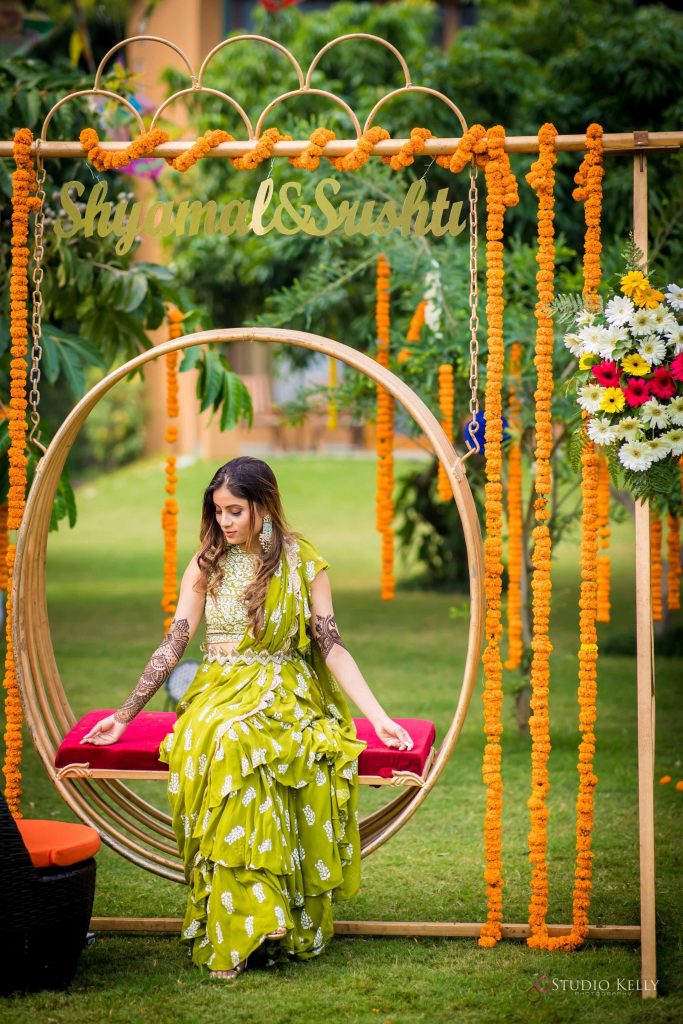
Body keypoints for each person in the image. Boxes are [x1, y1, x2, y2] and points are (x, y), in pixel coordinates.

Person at [80, 456, 413, 980]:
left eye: (235, 510)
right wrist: (125, 714)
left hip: (284, 689)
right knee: (222, 738)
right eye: (218, 512)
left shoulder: (303, 562)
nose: (225, 522)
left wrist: (379, 717)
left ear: (264, 505)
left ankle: (258, 912)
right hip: (218, 689)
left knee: (245, 742)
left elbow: (332, 647)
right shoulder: (206, 562)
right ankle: (253, 912)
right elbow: (174, 644)